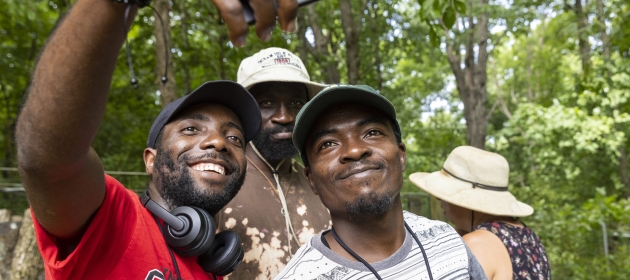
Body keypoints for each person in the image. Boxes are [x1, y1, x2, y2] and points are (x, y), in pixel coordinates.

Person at [15, 0, 296, 278]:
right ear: (150, 160)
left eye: (234, 137)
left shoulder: (211, 268)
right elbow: (48, 161)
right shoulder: (114, 221)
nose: (218, 142)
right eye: (191, 129)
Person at [275, 85, 488, 279]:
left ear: (401, 155)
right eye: (328, 144)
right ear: (311, 179)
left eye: (372, 132)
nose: (355, 150)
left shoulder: (448, 241)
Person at [215, 47, 331, 279]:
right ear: (244, 110)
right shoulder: (216, 180)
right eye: (267, 102)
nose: (284, 117)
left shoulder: (322, 181)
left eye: (296, 103)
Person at [409, 146, 551, 280]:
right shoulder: (528, 237)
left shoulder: (478, 244)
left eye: (444, 194)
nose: (439, 198)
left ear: (467, 201)